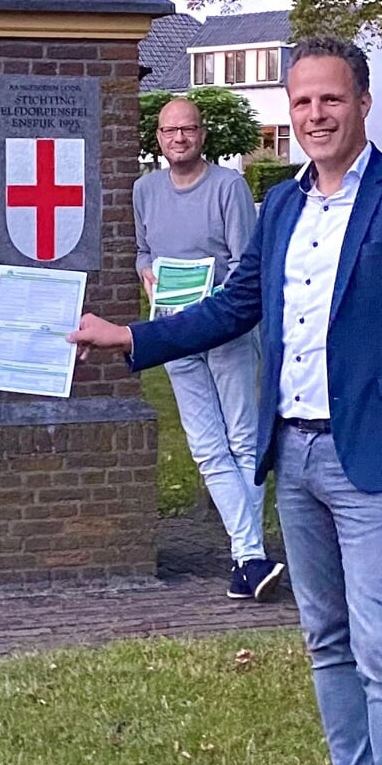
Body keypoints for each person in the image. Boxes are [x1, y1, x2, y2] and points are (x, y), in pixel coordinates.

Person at [71, 36, 382, 765]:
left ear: (363, 102)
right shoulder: (283, 204)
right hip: (292, 453)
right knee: (326, 639)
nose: (315, 114)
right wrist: (131, 336)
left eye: (331, 98)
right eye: (301, 101)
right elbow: (234, 305)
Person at [135, 97, 282, 601]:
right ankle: (251, 556)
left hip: (226, 331)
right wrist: (148, 278)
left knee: (242, 439)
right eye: (170, 131)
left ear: (202, 135)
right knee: (206, 447)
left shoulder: (229, 187)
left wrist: (216, 304)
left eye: (188, 130)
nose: (179, 138)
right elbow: (143, 250)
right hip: (176, 332)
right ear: (158, 138)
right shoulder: (145, 190)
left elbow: (247, 264)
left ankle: (247, 555)